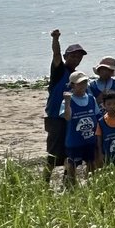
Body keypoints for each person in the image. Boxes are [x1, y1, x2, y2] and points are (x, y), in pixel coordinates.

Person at [44, 29, 86, 180]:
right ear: (66, 57)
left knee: (71, 151)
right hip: (55, 117)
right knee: (54, 153)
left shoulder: (77, 77)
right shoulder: (59, 70)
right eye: (73, 55)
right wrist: (55, 39)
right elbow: (55, 54)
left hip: (70, 118)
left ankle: (69, 181)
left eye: (79, 56)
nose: (76, 59)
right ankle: (45, 180)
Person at [62, 71, 100, 184]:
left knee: (91, 163)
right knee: (72, 165)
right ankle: (71, 187)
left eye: (85, 82)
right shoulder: (67, 101)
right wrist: (68, 102)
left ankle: (90, 185)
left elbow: (98, 116)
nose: (83, 85)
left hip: (90, 140)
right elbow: (67, 117)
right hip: (74, 141)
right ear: (72, 85)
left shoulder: (91, 99)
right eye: (80, 83)